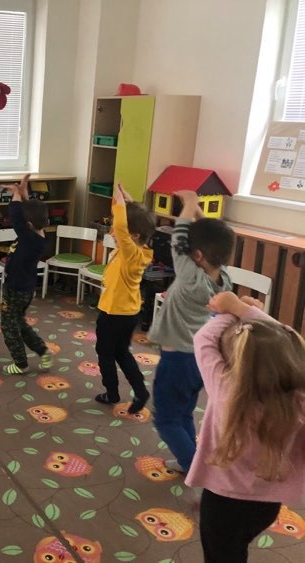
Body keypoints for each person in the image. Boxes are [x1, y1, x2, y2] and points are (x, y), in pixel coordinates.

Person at [188, 291, 305, 563]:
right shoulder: (298, 400)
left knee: (222, 555)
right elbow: (291, 340)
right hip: (268, 504)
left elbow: (203, 338)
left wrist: (229, 312)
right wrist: (242, 309)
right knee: (236, 549)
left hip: (223, 503)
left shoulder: (227, 392)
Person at [148, 190, 235, 473]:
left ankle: (193, 467)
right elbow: (211, 236)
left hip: (177, 361)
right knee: (183, 412)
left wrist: (188, 205)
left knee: (166, 419)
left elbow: (178, 239)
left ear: (196, 256)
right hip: (200, 358)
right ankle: (193, 459)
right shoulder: (224, 278)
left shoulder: (190, 278)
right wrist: (197, 209)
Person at [93, 183, 155, 413]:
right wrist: (127, 204)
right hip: (128, 313)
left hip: (114, 314)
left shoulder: (131, 254)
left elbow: (121, 226)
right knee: (121, 352)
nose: (112, 232)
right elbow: (127, 225)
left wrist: (119, 203)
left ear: (134, 236)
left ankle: (112, 392)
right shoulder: (139, 251)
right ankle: (140, 390)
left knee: (105, 353)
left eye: (116, 231)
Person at [0, 174, 52, 375]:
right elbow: (30, 215)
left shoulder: (28, 238)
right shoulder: (37, 236)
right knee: (19, 323)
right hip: (24, 289)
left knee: (9, 326)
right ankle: (42, 350)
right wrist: (24, 195)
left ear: (27, 225)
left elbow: (15, 215)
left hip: (15, 289)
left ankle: (21, 363)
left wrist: (16, 195)